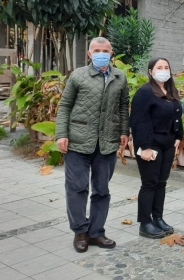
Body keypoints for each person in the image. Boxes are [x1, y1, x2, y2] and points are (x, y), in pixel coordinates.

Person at [55, 36, 130, 253]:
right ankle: (80, 231)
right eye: (96, 50)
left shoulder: (119, 77)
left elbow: (123, 107)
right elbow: (65, 105)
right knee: (77, 188)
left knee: (102, 190)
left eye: (105, 50)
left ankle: (96, 232)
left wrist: (124, 131)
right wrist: (61, 134)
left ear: (111, 52)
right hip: (78, 142)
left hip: (106, 142)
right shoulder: (78, 75)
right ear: (89, 54)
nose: (101, 54)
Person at [129, 57, 183, 238]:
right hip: (150, 145)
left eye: (166, 67)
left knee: (161, 183)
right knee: (149, 183)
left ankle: (158, 218)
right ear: (151, 72)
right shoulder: (145, 92)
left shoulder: (169, 90)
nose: (163, 70)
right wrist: (144, 146)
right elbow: (139, 121)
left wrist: (177, 136)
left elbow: (176, 113)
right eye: (159, 67)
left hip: (168, 144)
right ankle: (145, 223)